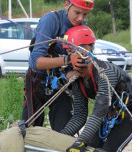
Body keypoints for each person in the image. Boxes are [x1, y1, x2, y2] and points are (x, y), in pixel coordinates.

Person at [59, 25, 132, 152]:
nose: (70, 58)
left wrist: (80, 141)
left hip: (131, 111)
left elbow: (99, 110)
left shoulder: (106, 73)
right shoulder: (77, 78)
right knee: (90, 147)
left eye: (73, 52)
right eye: (68, 53)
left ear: (86, 50)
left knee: (107, 150)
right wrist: (60, 137)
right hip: (110, 112)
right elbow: (79, 115)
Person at [21, 0, 95, 132]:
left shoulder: (82, 30)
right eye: (77, 13)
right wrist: (67, 60)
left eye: (85, 15)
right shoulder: (51, 21)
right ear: (66, 5)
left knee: (64, 132)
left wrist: (79, 70)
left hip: (61, 85)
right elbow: (35, 62)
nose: (80, 18)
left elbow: (82, 65)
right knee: (29, 132)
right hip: (37, 82)